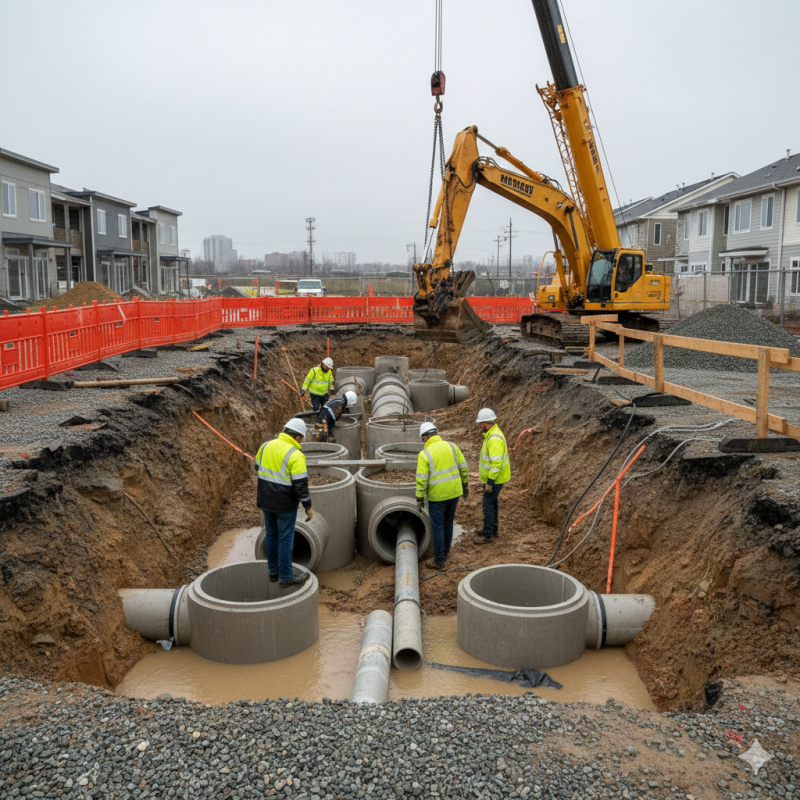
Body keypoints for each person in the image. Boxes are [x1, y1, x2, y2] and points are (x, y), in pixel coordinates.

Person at [255, 417, 313, 587]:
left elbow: (257, 467)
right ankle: (286, 577)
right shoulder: (296, 455)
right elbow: (301, 485)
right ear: (297, 437)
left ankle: (273, 572)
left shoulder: (265, 446)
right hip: (285, 505)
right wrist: (308, 505)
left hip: (265, 500)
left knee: (271, 535)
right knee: (285, 539)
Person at [415, 422, 469, 570]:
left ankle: (439, 560)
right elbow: (464, 467)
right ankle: (445, 551)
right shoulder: (452, 446)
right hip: (454, 492)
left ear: (425, 438)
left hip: (438, 496)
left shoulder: (424, 454)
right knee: (448, 522)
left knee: (437, 527)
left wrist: (419, 498)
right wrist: (465, 486)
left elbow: (421, 479)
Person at [473, 408, 510, 545]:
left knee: (487, 505)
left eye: (480, 424)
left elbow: (496, 463)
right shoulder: (492, 434)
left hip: (494, 479)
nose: (479, 427)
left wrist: (490, 482)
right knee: (492, 503)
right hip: (495, 478)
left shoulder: (494, 439)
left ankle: (487, 534)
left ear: (483, 423)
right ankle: (493, 530)